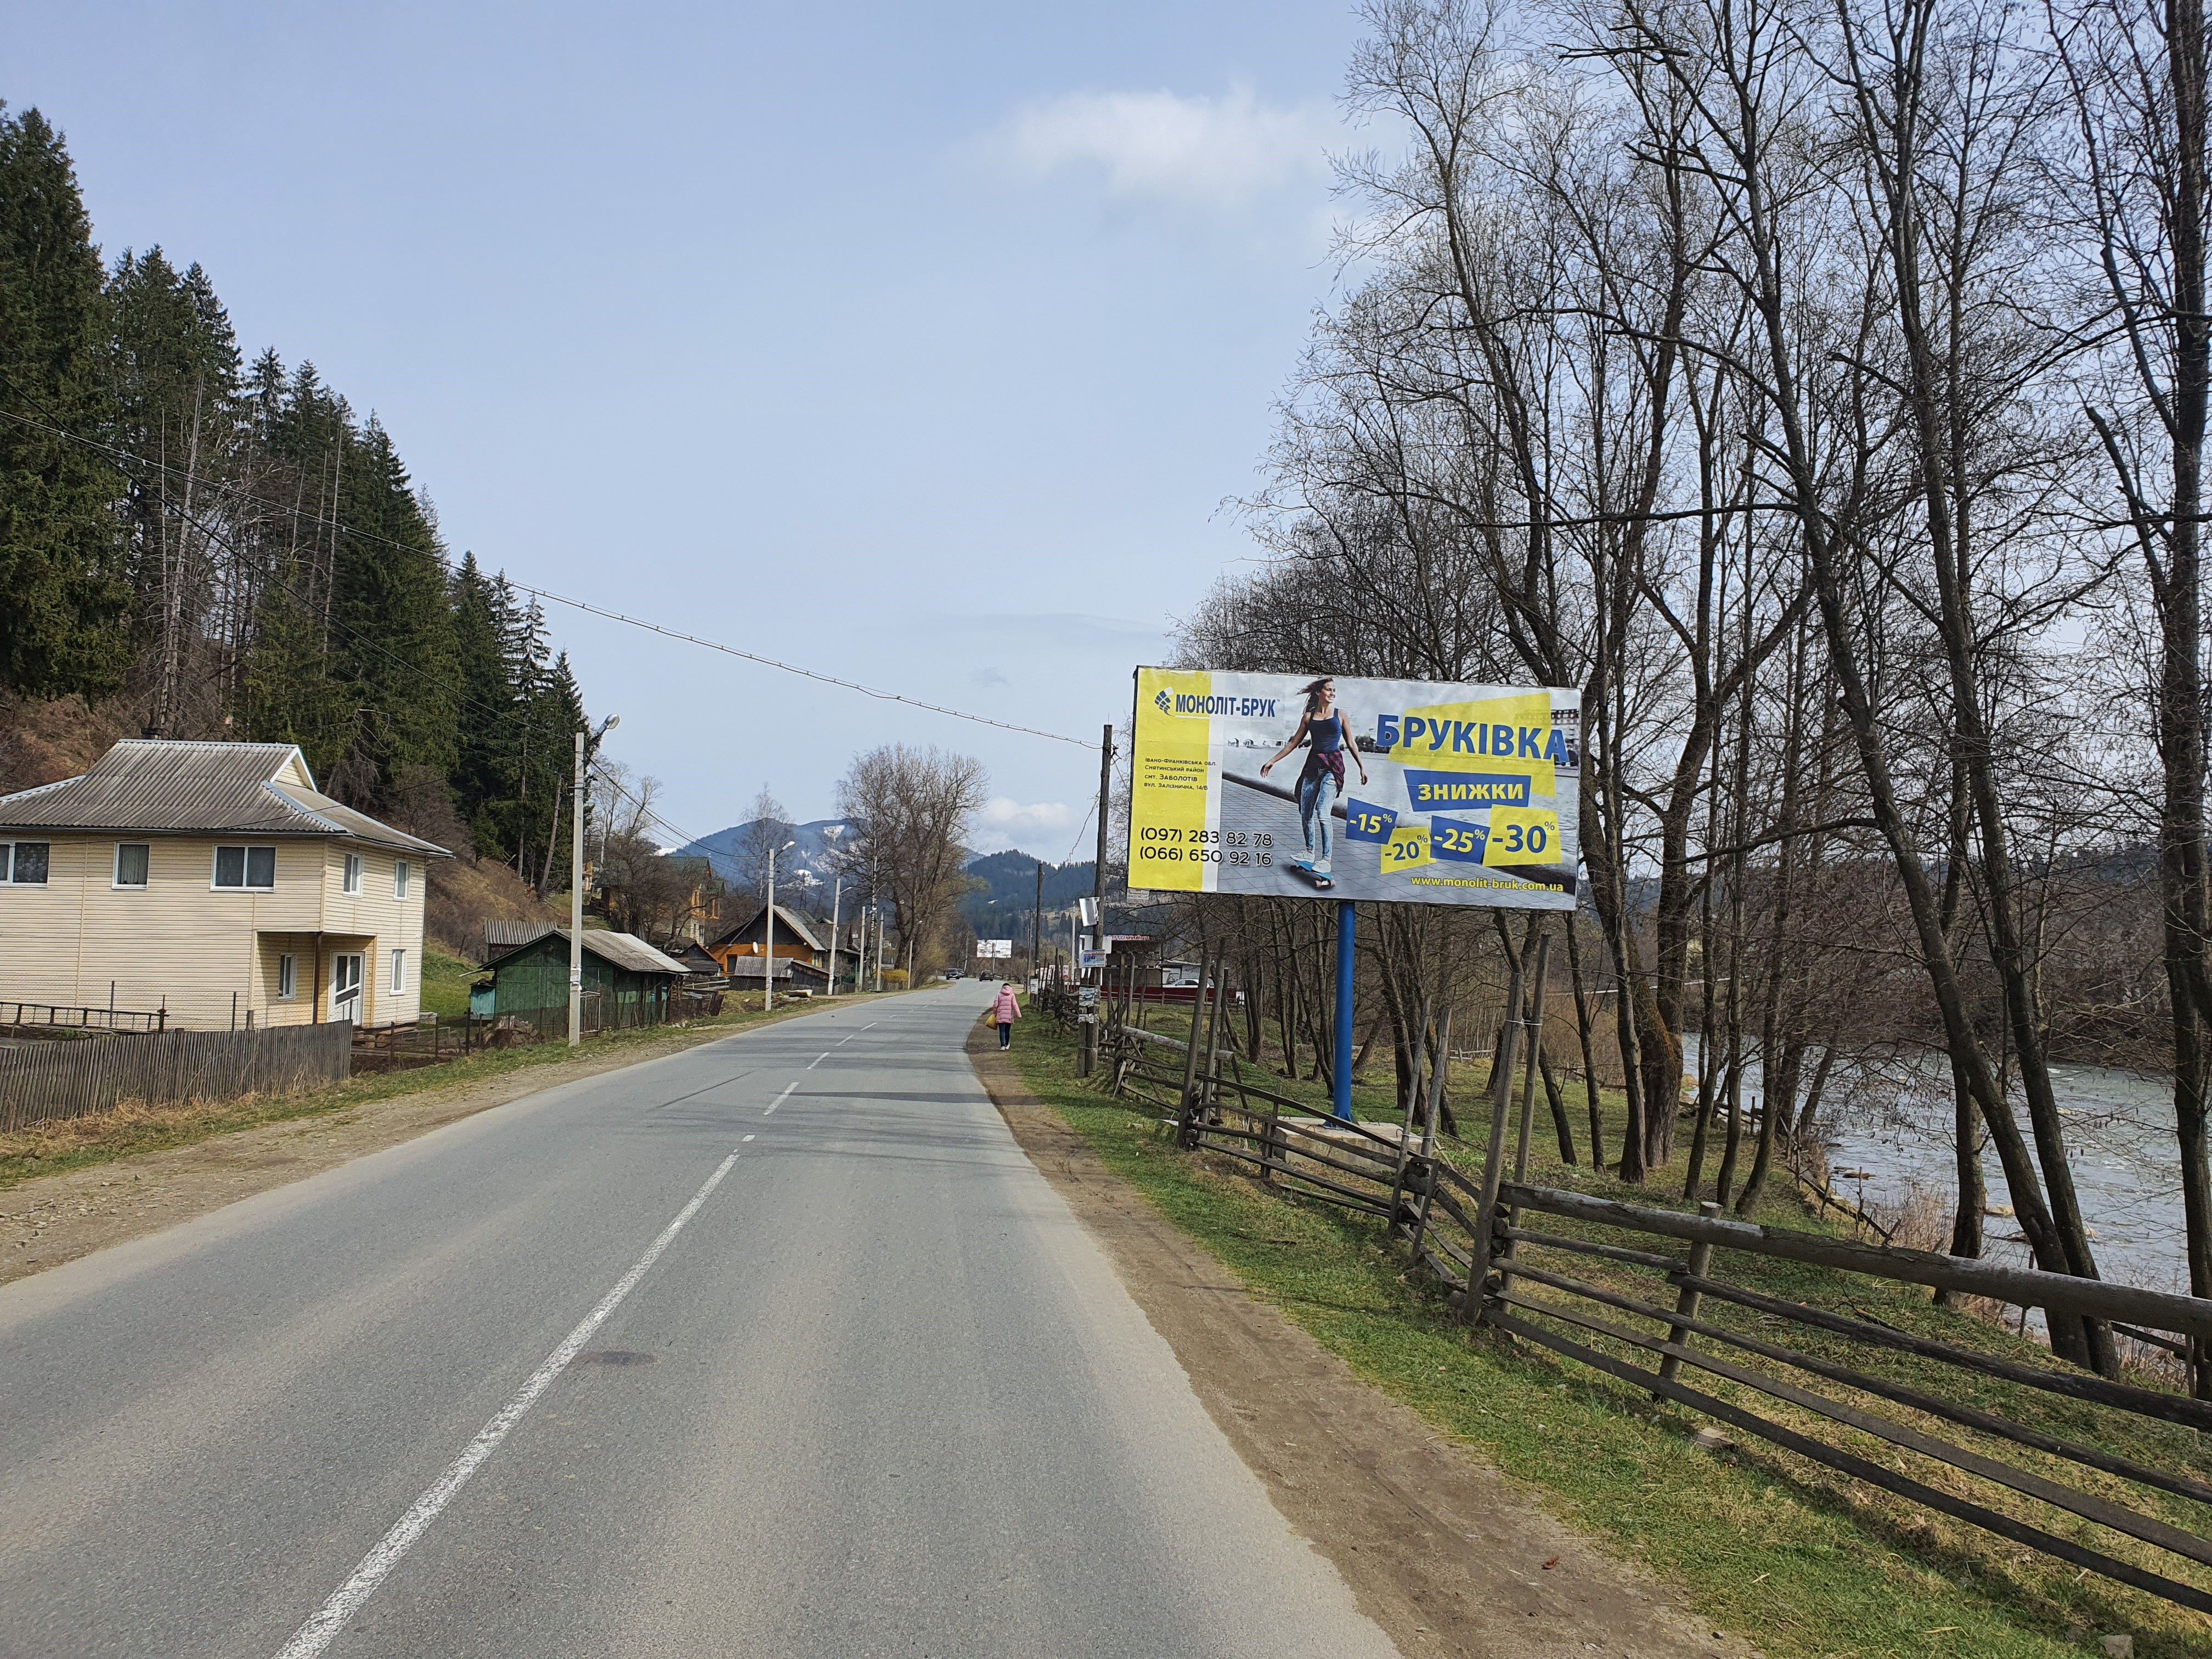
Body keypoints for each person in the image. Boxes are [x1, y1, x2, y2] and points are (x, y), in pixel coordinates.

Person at [1260, 676, 1370, 883]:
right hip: (1312, 767)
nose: (1332, 693)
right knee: (1305, 810)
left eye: (1334, 690)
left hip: (1333, 768)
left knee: (1323, 812)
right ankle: (1310, 852)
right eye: (1329, 690)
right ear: (1319, 692)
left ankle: (1326, 859)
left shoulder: (1341, 715)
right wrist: (1272, 761)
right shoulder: (1308, 718)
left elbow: (1352, 743)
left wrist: (1362, 767)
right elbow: (1293, 744)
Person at [992, 981, 1021, 1049]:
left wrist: (994, 1013)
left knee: (1002, 1031)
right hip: (1009, 1016)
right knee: (1007, 1031)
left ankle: (1002, 1046)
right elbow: (1015, 1005)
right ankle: (1007, 1044)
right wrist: (1019, 1015)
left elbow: (996, 1005)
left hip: (1001, 1016)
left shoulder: (999, 994)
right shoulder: (1012, 995)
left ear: (1003, 988)